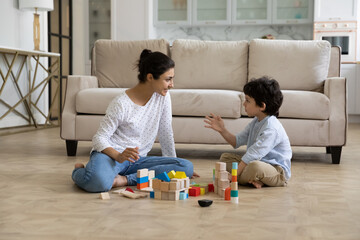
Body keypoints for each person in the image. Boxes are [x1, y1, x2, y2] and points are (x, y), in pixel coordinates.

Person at [72, 49, 197, 193]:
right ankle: (79, 171)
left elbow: (165, 132)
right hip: (112, 157)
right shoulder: (121, 103)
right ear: (150, 77)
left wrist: (173, 168)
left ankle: (124, 180)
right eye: (168, 79)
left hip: (138, 160)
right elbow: (99, 138)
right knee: (98, 183)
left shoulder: (163, 97)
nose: (172, 84)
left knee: (186, 167)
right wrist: (119, 156)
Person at [204, 76, 291, 189]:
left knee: (254, 167)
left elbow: (252, 155)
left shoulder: (271, 128)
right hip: (255, 163)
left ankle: (249, 178)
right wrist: (222, 130)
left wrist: (232, 177)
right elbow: (236, 142)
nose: (244, 104)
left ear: (262, 106)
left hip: (276, 170)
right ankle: (255, 179)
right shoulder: (257, 120)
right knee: (225, 158)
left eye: (248, 100)